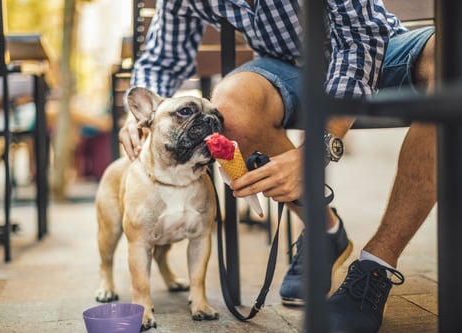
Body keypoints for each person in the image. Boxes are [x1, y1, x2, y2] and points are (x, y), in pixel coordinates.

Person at [118, 1, 436, 332]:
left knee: (450, 59)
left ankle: (375, 266)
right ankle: (325, 232)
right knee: (230, 106)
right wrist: (139, 116)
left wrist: (318, 147)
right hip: (289, 68)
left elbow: (359, 38)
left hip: (380, 50)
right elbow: (161, 60)